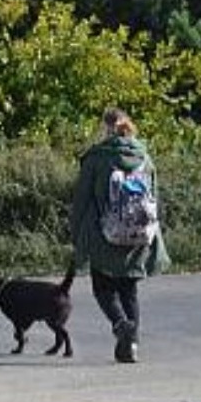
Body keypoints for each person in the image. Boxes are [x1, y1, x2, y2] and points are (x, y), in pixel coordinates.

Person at [70, 107, 169, 364]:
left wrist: (76, 234)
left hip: (104, 232)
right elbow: (155, 198)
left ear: (106, 128)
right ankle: (130, 346)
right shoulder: (145, 158)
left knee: (103, 288)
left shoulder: (97, 158)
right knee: (129, 291)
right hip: (138, 232)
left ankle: (120, 324)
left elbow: (81, 200)